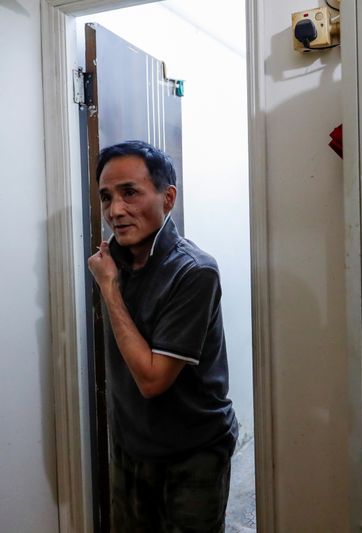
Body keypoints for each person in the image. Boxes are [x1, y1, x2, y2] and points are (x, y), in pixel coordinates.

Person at [87, 141, 238, 532]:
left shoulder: (194, 271)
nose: (115, 211)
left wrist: (109, 291)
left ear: (167, 198)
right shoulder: (112, 261)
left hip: (193, 452)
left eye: (130, 193)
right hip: (131, 447)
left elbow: (153, 380)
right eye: (106, 197)